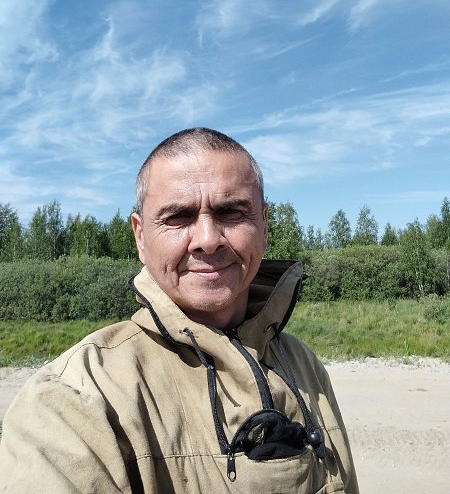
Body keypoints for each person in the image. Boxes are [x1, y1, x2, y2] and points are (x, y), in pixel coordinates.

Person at [0, 127, 359, 493]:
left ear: (264, 225)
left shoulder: (301, 363)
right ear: (140, 236)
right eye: (178, 217)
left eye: (232, 212)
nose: (207, 240)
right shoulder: (74, 399)